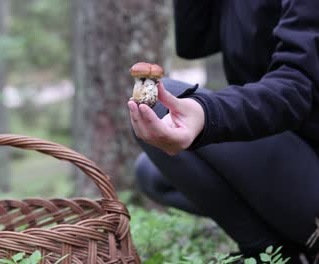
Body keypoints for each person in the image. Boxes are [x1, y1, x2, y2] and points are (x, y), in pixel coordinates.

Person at [128, 1, 319, 263]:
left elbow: (299, 86)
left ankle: (268, 251)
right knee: (151, 173)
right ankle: (279, 253)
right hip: (286, 149)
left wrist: (208, 114)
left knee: (161, 104)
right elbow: (193, 41)